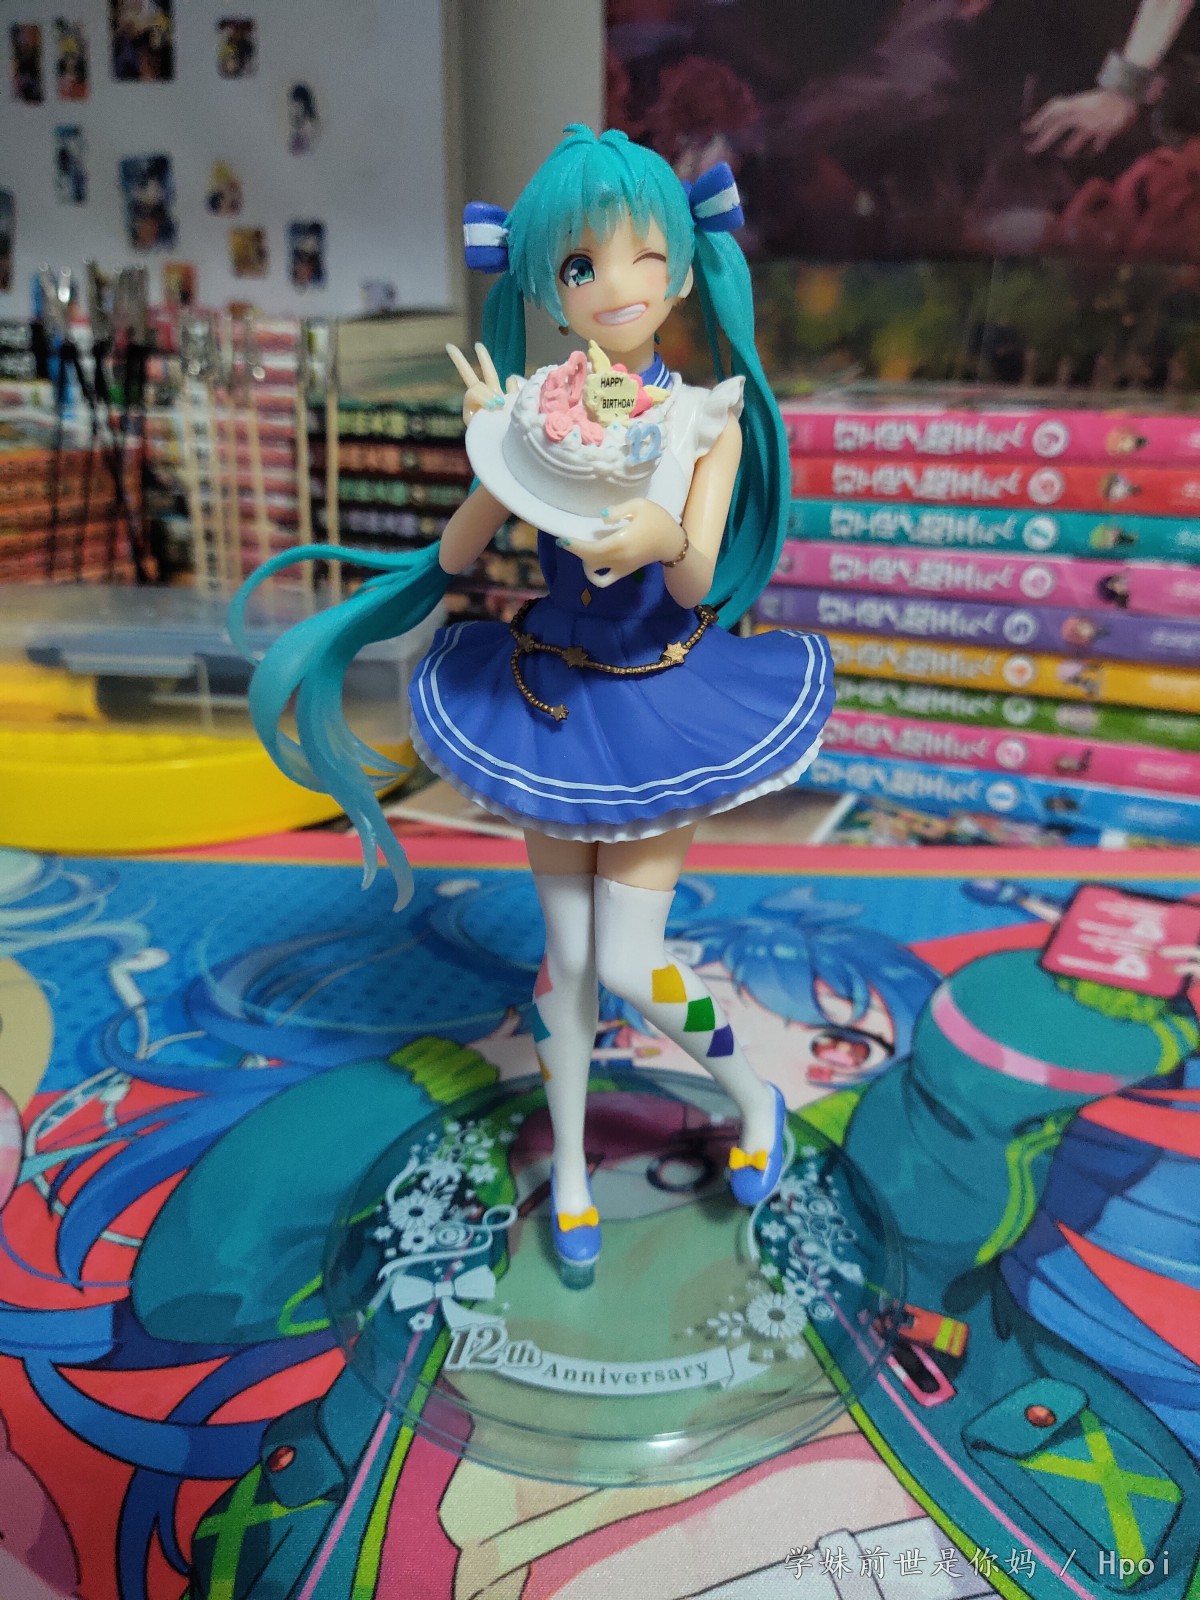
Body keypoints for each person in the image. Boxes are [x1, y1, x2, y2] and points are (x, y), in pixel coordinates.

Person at [230, 125, 834, 1271]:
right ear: (550, 290)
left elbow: (698, 578)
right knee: (565, 962)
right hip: (550, 699)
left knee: (629, 960)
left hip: (656, 703)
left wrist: (661, 535)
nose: (616, 285)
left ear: (684, 272)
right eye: (580, 264)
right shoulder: (536, 412)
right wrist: (493, 455)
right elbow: (461, 551)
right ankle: (569, 1172)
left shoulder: (705, 419)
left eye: (643, 255)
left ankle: (756, 1101)